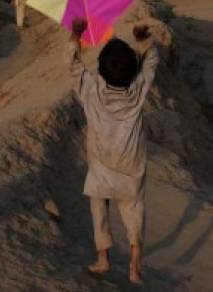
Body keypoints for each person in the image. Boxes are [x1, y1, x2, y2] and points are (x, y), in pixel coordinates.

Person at [67, 18, 160, 285]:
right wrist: (142, 41)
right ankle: (134, 267)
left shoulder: (90, 89)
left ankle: (103, 259)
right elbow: (151, 62)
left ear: (101, 69)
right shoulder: (138, 90)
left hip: (101, 162)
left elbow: (72, 64)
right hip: (131, 164)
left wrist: (76, 34)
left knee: (99, 207)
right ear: (133, 71)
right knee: (135, 210)